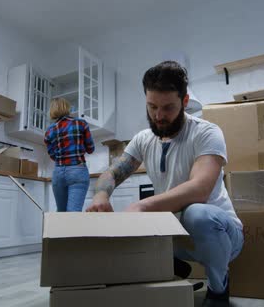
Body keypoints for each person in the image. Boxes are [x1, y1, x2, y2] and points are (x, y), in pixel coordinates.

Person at [86, 61, 243, 307]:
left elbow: (199, 189)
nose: (159, 116)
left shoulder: (207, 132)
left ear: (185, 100)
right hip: (173, 233)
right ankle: (169, 266)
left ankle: (218, 289)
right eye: (152, 107)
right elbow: (112, 173)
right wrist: (100, 196)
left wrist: (143, 206)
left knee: (197, 214)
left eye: (168, 107)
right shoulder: (143, 139)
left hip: (222, 233)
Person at [44, 97, 95, 212]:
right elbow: (91, 148)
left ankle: (60, 231)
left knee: (61, 213)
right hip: (78, 171)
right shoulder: (81, 123)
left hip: (58, 173)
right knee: (73, 214)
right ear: (67, 108)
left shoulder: (49, 131)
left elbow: (52, 156)